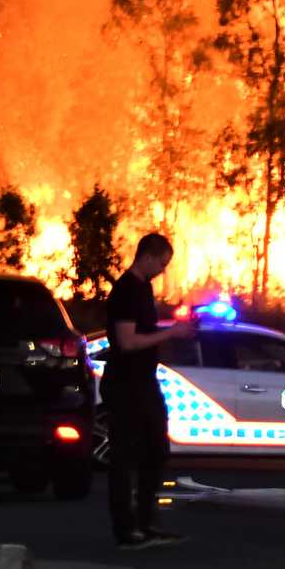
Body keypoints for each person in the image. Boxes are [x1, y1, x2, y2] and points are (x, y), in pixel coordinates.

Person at [102, 232, 195, 549]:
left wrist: (171, 328)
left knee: (156, 449)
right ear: (148, 256)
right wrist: (169, 333)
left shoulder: (142, 290)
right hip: (125, 384)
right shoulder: (126, 290)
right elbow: (127, 342)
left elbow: (144, 332)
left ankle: (146, 520)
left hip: (144, 381)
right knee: (124, 456)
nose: (163, 270)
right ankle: (126, 528)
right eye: (162, 263)